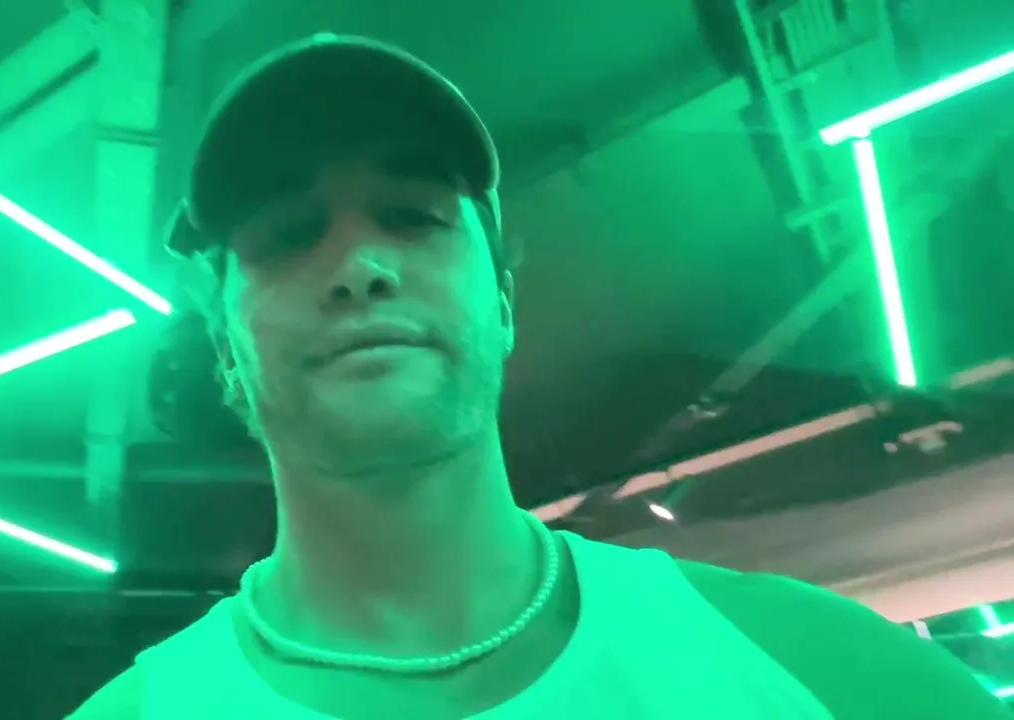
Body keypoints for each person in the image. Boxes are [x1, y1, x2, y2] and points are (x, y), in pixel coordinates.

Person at [69, 35, 1009, 719]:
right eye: (288, 234)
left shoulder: (833, 681)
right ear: (224, 342)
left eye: (412, 214)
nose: (360, 265)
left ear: (505, 298)